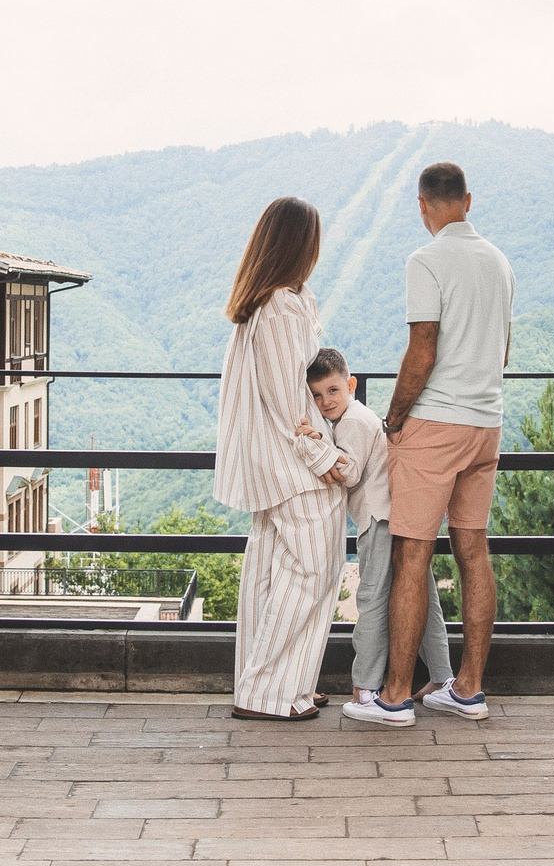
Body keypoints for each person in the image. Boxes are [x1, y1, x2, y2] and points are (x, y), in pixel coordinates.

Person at [378, 161, 514, 721]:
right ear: (468, 200)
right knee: (473, 551)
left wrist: (394, 418)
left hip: (435, 423)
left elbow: (423, 349)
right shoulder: (500, 262)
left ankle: (394, 697)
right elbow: (503, 350)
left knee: (412, 553)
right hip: (486, 423)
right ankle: (468, 688)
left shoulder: (426, 260)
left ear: (421, 205)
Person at [213, 196, 352, 721]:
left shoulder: (269, 304)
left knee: (270, 577)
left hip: (271, 466)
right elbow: (288, 398)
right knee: (314, 573)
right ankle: (268, 693)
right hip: (293, 466)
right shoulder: (280, 307)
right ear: (300, 246)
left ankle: (278, 686)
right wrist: (324, 456)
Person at [302, 348, 449, 728]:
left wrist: (313, 443)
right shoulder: (361, 414)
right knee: (421, 595)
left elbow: (348, 473)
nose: (325, 401)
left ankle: (365, 688)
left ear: (350, 385)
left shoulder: (350, 422)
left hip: (379, 517)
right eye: (316, 395)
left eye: (333, 390)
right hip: (404, 511)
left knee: (372, 598)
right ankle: (441, 677)